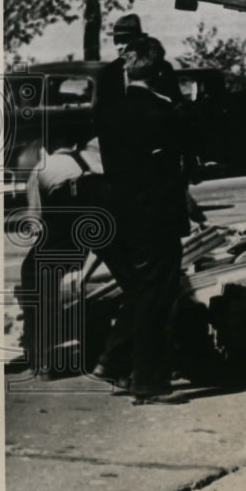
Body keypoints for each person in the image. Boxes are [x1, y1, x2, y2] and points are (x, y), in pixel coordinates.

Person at [95, 36, 193, 405]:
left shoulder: (108, 111)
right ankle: (148, 381)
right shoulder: (164, 112)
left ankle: (114, 363)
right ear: (159, 70)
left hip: (121, 211)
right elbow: (186, 154)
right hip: (158, 215)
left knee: (139, 290)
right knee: (157, 294)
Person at [15, 139, 107, 377]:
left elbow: (35, 220)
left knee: (34, 272)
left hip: (68, 208)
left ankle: (39, 355)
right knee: (79, 278)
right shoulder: (86, 156)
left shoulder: (40, 168)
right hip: (96, 209)